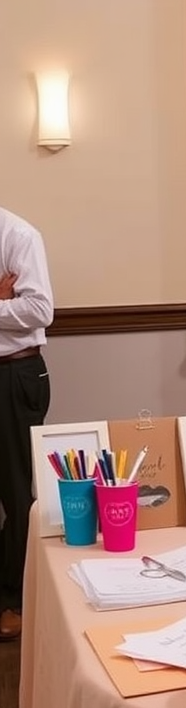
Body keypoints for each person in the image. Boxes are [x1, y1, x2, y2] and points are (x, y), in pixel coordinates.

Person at [0, 206, 53, 639]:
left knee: (16, 494)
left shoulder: (18, 235)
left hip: (14, 375)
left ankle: (13, 602)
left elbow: (40, 309)